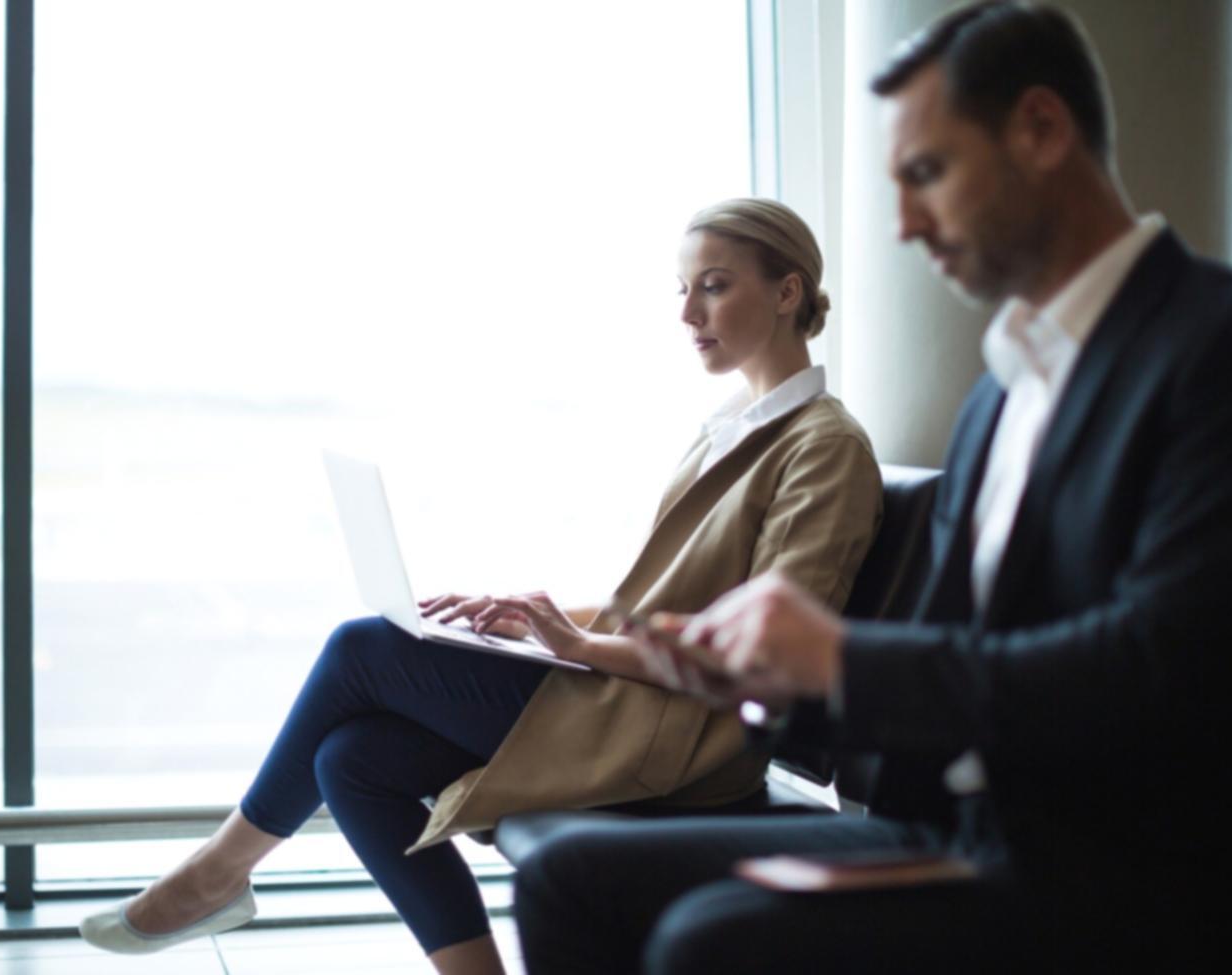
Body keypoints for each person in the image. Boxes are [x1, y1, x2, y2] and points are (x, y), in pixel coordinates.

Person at [511, 3, 1232, 972]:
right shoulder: (1000, 390)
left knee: (712, 942)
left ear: (1040, 129)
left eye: (925, 174)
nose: (904, 225)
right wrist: (759, 678)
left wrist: (840, 661)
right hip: (969, 837)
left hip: (1148, 871)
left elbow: (1168, 663)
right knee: (565, 876)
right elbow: (952, 650)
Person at [79, 197, 882, 975]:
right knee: (353, 757)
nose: (686, 313)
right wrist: (533, 620)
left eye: (713, 285)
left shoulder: (823, 447)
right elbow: (667, 603)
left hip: (688, 736)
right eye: (682, 289)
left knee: (361, 647)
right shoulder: (729, 428)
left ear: (785, 292)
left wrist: (581, 645)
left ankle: (218, 873)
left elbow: (768, 652)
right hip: (637, 698)